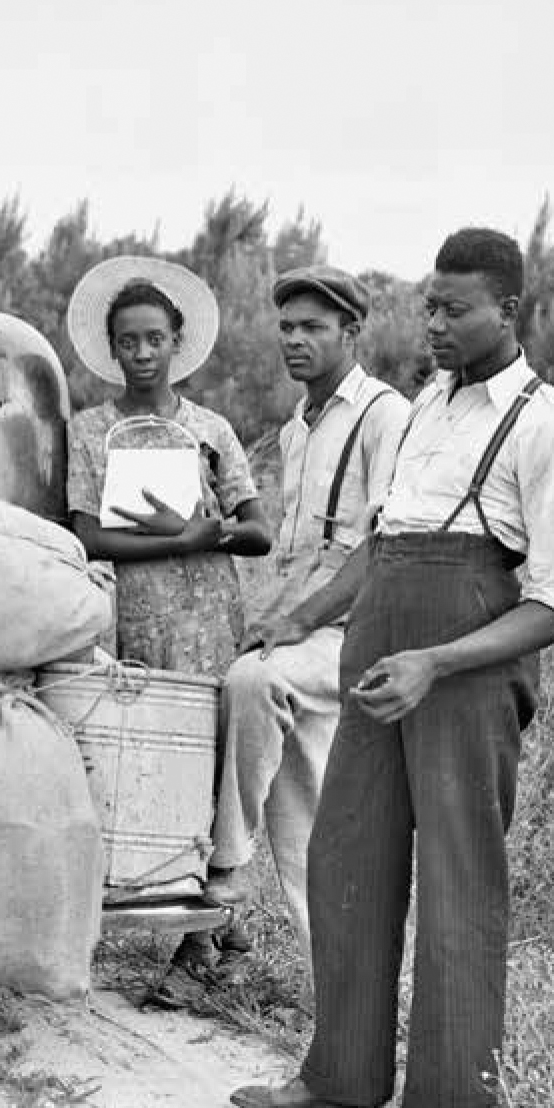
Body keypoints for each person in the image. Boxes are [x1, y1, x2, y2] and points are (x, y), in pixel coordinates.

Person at [232, 229, 554, 1108]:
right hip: (378, 648)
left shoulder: (549, 428)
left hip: (465, 669)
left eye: (454, 309)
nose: (431, 324)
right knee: (345, 854)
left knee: (456, 874)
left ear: (508, 311)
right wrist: (305, 616)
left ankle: (447, 1103)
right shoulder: (428, 404)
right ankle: (343, 1077)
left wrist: (438, 661)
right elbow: (383, 542)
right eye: (427, 305)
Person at [62, 256, 272, 1010]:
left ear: (178, 342)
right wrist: (181, 539)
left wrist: (207, 534)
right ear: (111, 350)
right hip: (131, 617)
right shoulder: (89, 431)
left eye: (154, 338)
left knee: (212, 764)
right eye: (128, 341)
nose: (142, 352)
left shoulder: (209, 429)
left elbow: (256, 531)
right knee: (141, 762)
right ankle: (183, 913)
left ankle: (200, 936)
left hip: (209, 615)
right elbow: (86, 534)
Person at [203, 266, 410, 968]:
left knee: (254, 685)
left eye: (313, 328)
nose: (295, 340)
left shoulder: (385, 415)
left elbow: (382, 545)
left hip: (354, 626)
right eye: (286, 327)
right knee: (307, 823)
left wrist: (297, 623)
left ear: (351, 333)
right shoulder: (299, 425)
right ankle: (346, 989)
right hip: (301, 615)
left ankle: (224, 866)